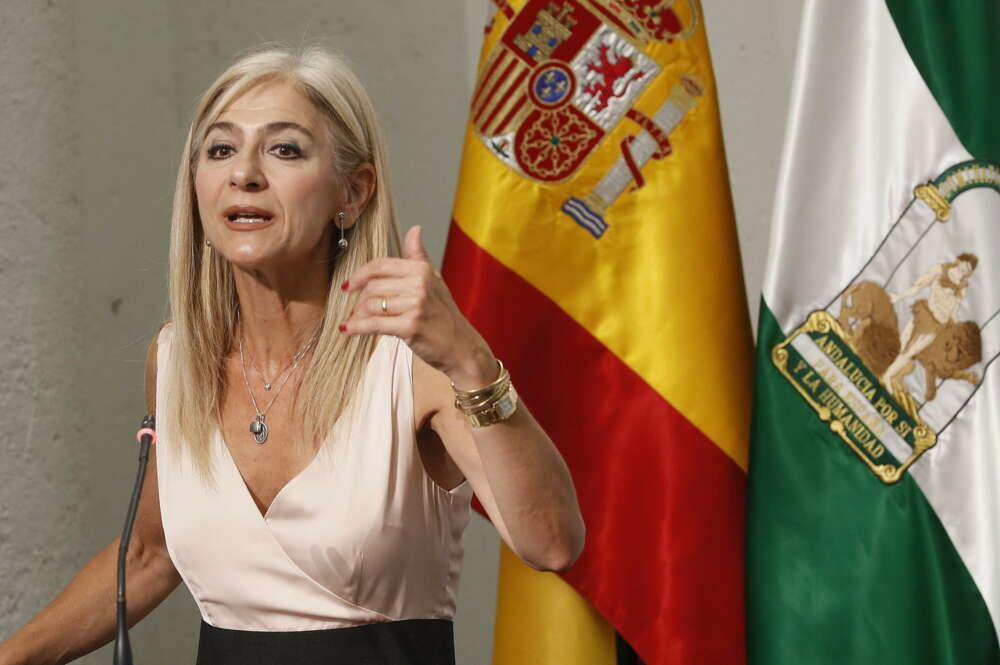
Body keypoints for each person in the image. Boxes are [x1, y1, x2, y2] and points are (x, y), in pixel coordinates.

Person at [0, 44, 585, 665]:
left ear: (353, 193)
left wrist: (471, 362)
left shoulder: (412, 365)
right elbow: (151, 554)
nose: (244, 174)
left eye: (284, 150)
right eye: (220, 149)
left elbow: (552, 545)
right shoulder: (175, 361)